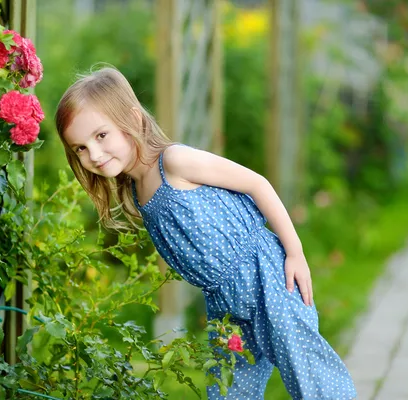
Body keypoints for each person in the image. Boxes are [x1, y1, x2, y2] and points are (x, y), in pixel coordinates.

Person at [54, 66, 357, 400]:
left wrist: (295, 252)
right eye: (80, 148)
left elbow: (257, 184)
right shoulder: (138, 189)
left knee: (312, 380)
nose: (94, 154)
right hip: (224, 304)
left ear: (132, 119)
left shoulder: (174, 162)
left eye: (100, 136)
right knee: (229, 390)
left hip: (266, 279)